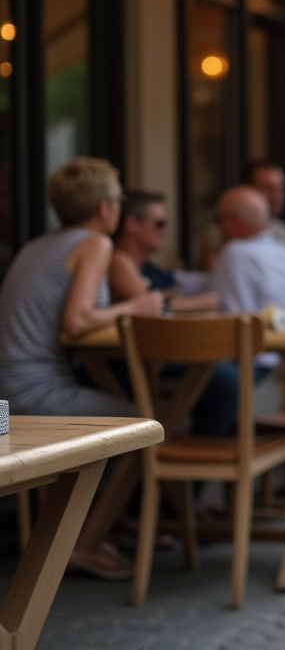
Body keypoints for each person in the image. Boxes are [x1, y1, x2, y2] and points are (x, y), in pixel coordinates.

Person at [0, 157, 163, 577]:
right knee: (145, 427)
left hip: (8, 394)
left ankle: (112, 523)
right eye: (118, 200)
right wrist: (138, 305)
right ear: (104, 207)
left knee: (126, 411)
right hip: (34, 393)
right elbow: (78, 321)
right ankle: (83, 541)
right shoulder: (95, 244)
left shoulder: (36, 244)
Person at [110, 190, 220, 312]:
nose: (165, 230)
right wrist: (199, 302)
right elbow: (151, 304)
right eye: (160, 224)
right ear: (132, 224)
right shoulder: (118, 260)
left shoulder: (148, 267)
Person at [200, 160, 285, 276]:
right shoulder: (221, 231)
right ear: (248, 189)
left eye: (280, 188)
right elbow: (215, 277)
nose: (277, 195)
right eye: (268, 188)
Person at [210, 186, 285, 317]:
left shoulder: (235, 252)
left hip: (263, 336)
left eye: (219, 219)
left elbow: (231, 317)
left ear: (236, 221)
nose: (218, 226)